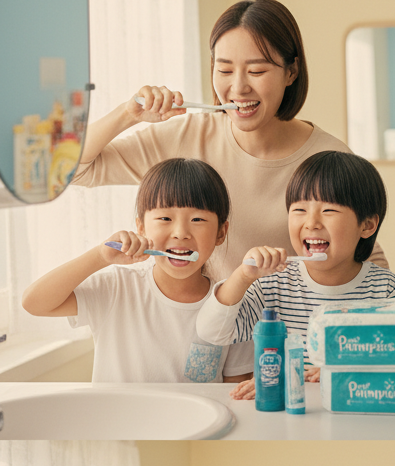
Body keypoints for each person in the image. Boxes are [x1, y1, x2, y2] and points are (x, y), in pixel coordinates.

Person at [72, 0, 387, 281]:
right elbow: (74, 170)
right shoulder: (185, 137)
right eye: (224, 70)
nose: (238, 88)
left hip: (293, 336)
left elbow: (362, 255)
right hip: (212, 333)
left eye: (257, 71)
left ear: (291, 72)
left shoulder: (328, 156)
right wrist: (128, 114)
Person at [20, 158, 252, 385]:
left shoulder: (231, 306)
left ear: (221, 232)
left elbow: (234, 395)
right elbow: (34, 303)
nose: (181, 233)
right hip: (118, 422)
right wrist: (99, 257)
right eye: (165, 218)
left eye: (197, 219)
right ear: (140, 226)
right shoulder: (116, 288)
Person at [195, 150, 395, 398]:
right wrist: (243, 275)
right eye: (299, 210)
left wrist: (335, 373)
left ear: (367, 225)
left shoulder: (385, 290)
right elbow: (212, 332)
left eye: (329, 211)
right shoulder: (272, 283)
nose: (311, 223)